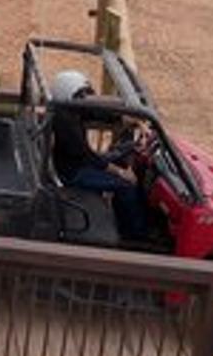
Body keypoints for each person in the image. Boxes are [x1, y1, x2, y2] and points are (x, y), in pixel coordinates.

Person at [48, 70, 151, 241]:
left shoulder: (71, 110)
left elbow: (99, 114)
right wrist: (119, 172)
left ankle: (123, 215)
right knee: (127, 184)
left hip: (78, 164)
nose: (86, 97)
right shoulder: (65, 124)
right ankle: (135, 235)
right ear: (70, 95)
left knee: (124, 153)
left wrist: (133, 120)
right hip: (73, 173)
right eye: (82, 94)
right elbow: (88, 157)